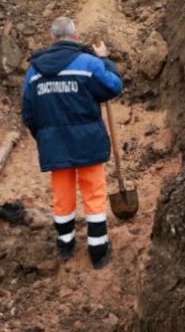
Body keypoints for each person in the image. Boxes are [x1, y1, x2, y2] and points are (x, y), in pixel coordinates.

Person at [21, 17, 124, 269]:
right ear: (75, 36)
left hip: (55, 144)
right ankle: (98, 251)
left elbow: (28, 114)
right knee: (94, 193)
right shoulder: (89, 64)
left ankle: (65, 245)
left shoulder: (34, 72)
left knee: (62, 194)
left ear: (52, 38)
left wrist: (45, 137)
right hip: (88, 142)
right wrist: (104, 60)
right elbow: (113, 86)